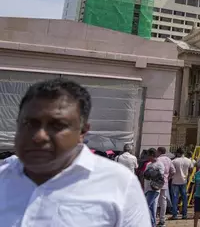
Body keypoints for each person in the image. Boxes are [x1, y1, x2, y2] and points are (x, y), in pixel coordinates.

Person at [0, 78, 150, 226]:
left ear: (82, 132)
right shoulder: (3, 176)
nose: (39, 136)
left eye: (57, 125)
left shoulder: (119, 184)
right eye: (29, 123)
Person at [143, 148, 165, 226]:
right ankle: (153, 224)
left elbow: (160, 176)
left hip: (154, 189)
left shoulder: (159, 164)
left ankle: (151, 223)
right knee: (151, 208)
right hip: (148, 188)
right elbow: (145, 175)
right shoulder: (149, 164)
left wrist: (151, 173)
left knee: (146, 205)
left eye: (148, 155)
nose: (147, 157)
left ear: (152, 155)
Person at [170, 148, 192, 220]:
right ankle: (184, 214)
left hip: (175, 181)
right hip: (184, 181)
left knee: (175, 198)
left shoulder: (174, 161)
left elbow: (171, 171)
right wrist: (188, 176)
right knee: (184, 198)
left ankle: (175, 214)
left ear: (178, 153)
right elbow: (191, 169)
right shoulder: (189, 160)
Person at [155, 146, 176, 226]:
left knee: (156, 200)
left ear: (159, 151)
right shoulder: (168, 159)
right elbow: (173, 171)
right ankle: (162, 219)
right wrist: (168, 177)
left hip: (157, 182)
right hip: (165, 182)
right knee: (163, 201)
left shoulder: (158, 160)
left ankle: (154, 218)